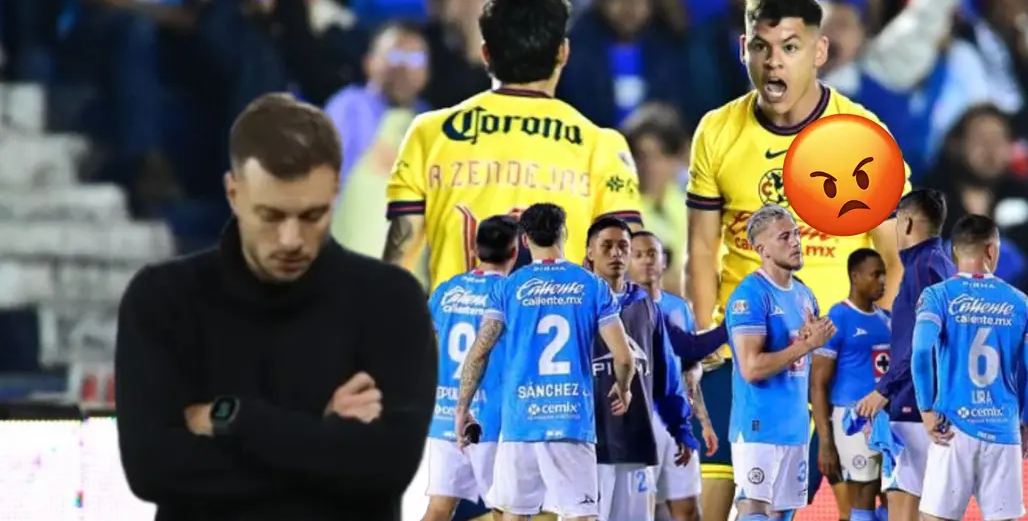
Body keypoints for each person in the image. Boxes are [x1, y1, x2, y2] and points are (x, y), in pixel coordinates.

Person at [113, 93, 436, 521]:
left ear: (336, 191)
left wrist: (235, 420)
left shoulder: (391, 301)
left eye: (312, 216)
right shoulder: (163, 299)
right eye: (270, 215)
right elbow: (151, 470)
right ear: (233, 192)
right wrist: (323, 439)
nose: (290, 240)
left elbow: (388, 468)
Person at [684, 0, 911, 521]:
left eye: (789, 47)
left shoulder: (861, 135)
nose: (772, 62)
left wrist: (887, 357)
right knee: (705, 509)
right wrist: (700, 345)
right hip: (748, 356)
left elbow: (897, 259)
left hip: (839, 363)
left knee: (863, 512)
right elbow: (700, 247)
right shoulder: (717, 132)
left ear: (820, 51)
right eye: (760, 47)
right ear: (743, 49)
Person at [384, 0, 644, 287]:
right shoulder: (601, 146)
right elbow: (632, 271)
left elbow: (396, 263)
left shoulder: (429, 134)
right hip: (563, 334)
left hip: (454, 334)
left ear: (486, 53)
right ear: (563, 52)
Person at [452, 203, 636, 521]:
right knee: (580, 515)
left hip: (520, 422)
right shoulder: (593, 285)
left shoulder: (508, 288)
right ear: (563, 233)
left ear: (524, 240)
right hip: (571, 422)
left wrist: (461, 408)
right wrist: (624, 388)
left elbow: (479, 352)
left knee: (510, 515)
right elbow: (624, 357)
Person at [911, 214, 1028, 521]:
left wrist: (926, 409)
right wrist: (1026, 420)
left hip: (952, 428)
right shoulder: (1021, 303)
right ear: (992, 251)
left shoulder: (937, 296)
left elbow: (921, 352)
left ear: (954, 253)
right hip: (1002, 429)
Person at [725, 204, 838, 521]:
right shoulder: (750, 295)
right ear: (760, 249)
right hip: (759, 424)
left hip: (796, 427)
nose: (796, 242)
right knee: (754, 509)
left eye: (797, 234)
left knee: (781, 514)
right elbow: (751, 368)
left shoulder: (804, 295)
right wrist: (806, 343)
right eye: (784, 237)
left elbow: (807, 355)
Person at [585, 217, 699, 521]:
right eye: (606, 246)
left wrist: (680, 427)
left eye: (623, 246)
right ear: (590, 252)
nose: (616, 254)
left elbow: (665, 373)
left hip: (636, 442)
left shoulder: (645, 304)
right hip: (590, 446)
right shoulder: (577, 302)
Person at [854, 188, 954, 521]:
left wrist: (884, 391)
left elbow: (922, 342)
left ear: (907, 223)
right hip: (929, 405)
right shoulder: (940, 265)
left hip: (915, 408)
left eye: (897, 221)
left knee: (906, 509)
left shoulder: (922, 270)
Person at [422, 216, 522, 521]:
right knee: (508, 509)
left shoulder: (447, 290)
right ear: (515, 251)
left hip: (444, 415)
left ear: (475, 248)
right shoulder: (512, 294)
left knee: (439, 508)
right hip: (491, 418)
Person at [630, 230, 719, 521]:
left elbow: (689, 363)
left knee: (688, 510)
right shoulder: (618, 306)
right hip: (639, 420)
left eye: (651, 254)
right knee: (642, 510)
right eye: (638, 255)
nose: (645, 261)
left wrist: (703, 421)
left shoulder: (679, 307)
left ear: (663, 260)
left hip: (677, 420)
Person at [811, 248, 891, 521]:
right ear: (855, 277)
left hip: (887, 419)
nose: (882, 281)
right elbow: (818, 384)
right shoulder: (838, 318)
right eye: (875, 275)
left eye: (884, 274)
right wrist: (825, 441)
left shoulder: (887, 320)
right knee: (863, 497)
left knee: (896, 496)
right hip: (852, 420)